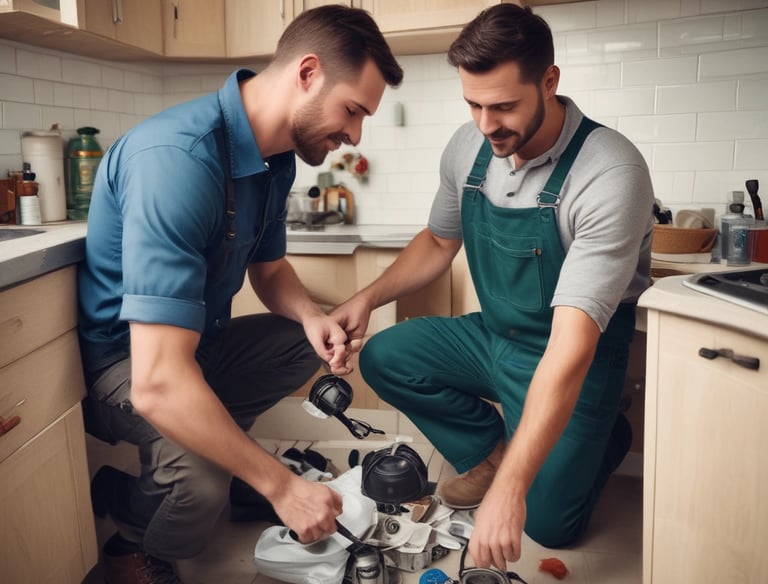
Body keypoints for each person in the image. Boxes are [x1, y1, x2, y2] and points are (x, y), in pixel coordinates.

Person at [77, 5, 403, 582]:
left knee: (300, 345)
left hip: (197, 349)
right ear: (307, 73)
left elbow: (270, 268)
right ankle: (132, 529)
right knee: (202, 482)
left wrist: (310, 317)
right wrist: (282, 488)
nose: (354, 134)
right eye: (353, 110)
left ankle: (216, 445)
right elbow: (154, 383)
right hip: (125, 368)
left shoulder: (276, 159)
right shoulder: (178, 161)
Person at [331, 3, 654, 572]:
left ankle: (606, 436)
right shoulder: (469, 146)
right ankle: (495, 449)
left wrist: (511, 493)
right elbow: (437, 242)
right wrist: (365, 299)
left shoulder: (610, 172)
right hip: (492, 337)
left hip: (572, 354)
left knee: (550, 524)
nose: (486, 123)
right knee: (385, 354)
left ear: (549, 82)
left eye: (503, 105)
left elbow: (572, 344)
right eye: (474, 104)